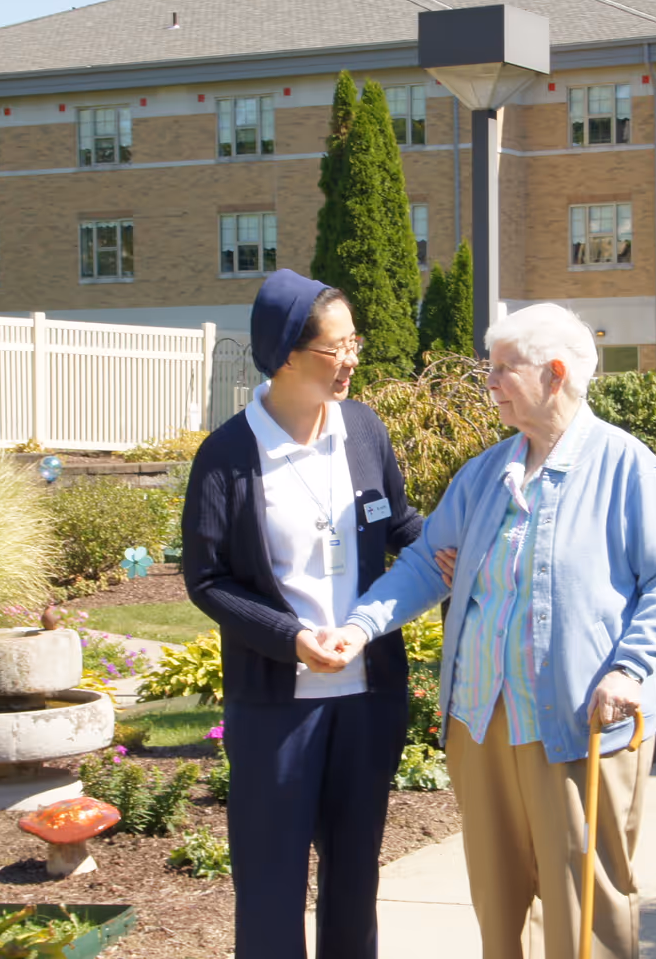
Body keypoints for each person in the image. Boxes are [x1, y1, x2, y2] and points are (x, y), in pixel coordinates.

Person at [321, 302, 656, 959]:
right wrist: (359, 627)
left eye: (501, 369)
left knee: (586, 907)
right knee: (499, 902)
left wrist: (630, 667)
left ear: (554, 375)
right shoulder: (486, 475)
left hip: (578, 720)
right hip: (482, 720)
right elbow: (422, 564)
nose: (488, 382)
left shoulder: (626, 467)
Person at [180, 268, 427, 959]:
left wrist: (456, 547)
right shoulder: (228, 456)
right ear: (286, 352)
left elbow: (400, 523)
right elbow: (207, 581)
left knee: (355, 879)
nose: (352, 358)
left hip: (368, 697)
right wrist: (290, 640)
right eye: (336, 346)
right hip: (276, 708)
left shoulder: (363, 430)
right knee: (271, 883)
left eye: (355, 343)